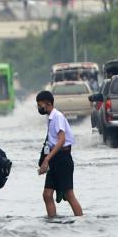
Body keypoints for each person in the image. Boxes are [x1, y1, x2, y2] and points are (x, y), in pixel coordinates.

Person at [36, 90, 83, 218]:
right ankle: (52, 223)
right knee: (47, 195)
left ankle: (81, 222)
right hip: (54, 159)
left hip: (63, 159)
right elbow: (50, 142)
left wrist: (47, 160)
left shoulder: (58, 117)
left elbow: (61, 140)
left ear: (48, 103)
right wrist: (45, 161)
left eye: (40, 105)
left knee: (69, 194)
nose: (39, 108)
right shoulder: (50, 119)